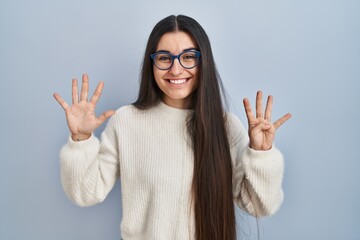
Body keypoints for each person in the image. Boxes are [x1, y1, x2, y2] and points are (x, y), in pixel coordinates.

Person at [53, 15, 291, 240]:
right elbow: (85, 192)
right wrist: (81, 139)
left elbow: (260, 206)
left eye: (188, 57)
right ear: (152, 63)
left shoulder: (227, 127)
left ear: (203, 61)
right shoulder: (127, 121)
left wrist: (261, 155)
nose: (176, 69)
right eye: (164, 58)